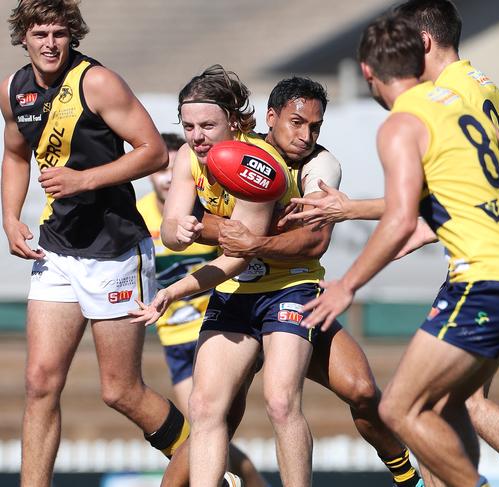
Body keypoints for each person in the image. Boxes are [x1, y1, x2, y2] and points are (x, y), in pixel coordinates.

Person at [285, 1, 499, 485]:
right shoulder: (470, 100)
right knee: (447, 403)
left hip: (485, 274)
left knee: (399, 407)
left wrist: (348, 284)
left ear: (369, 72)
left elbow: (401, 215)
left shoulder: (407, 121)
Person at [133, 68, 423, 487]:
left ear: (233, 121)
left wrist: (238, 241)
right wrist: (183, 231)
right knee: (207, 409)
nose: (196, 135)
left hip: (292, 290)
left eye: (207, 126)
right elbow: (186, 228)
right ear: (269, 118)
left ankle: (405, 473)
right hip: (238, 290)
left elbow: (304, 244)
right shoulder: (193, 160)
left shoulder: (294, 166)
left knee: (325, 394)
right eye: (189, 126)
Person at [0, 2, 188, 486]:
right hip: (57, 249)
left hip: (115, 250)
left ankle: (206, 458)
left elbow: (151, 151)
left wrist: (85, 181)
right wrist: (9, 217)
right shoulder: (14, 90)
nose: (49, 43)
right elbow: (16, 154)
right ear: (23, 36)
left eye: (59, 33)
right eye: (40, 33)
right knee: (40, 383)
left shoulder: (97, 82)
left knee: (120, 390)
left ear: (72, 37)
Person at [136, 133, 270, 487]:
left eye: (171, 168)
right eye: (159, 169)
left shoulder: (205, 211)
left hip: (211, 329)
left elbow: (230, 263)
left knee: (210, 423)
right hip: (173, 339)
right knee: (205, 430)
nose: (166, 177)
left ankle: (239, 478)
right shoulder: (141, 216)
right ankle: (231, 478)